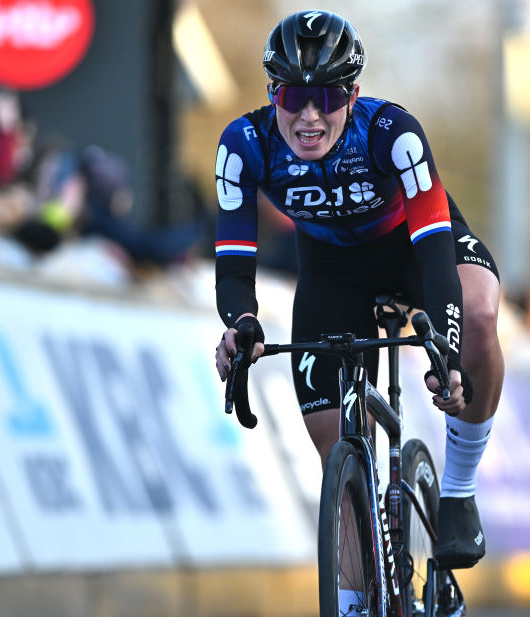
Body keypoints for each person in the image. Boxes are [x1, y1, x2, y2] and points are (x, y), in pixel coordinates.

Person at [212, 10, 504, 575]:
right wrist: (240, 322)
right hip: (330, 268)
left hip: (414, 250)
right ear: (273, 93)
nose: (310, 115)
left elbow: (437, 259)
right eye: (294, 96)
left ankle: (460, 490)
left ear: (353, 93)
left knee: (479, 314)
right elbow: (233, 261)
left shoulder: (392, 134)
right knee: (334, 447)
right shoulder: (244, 145)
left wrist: (447, 352)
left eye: (327, 95)